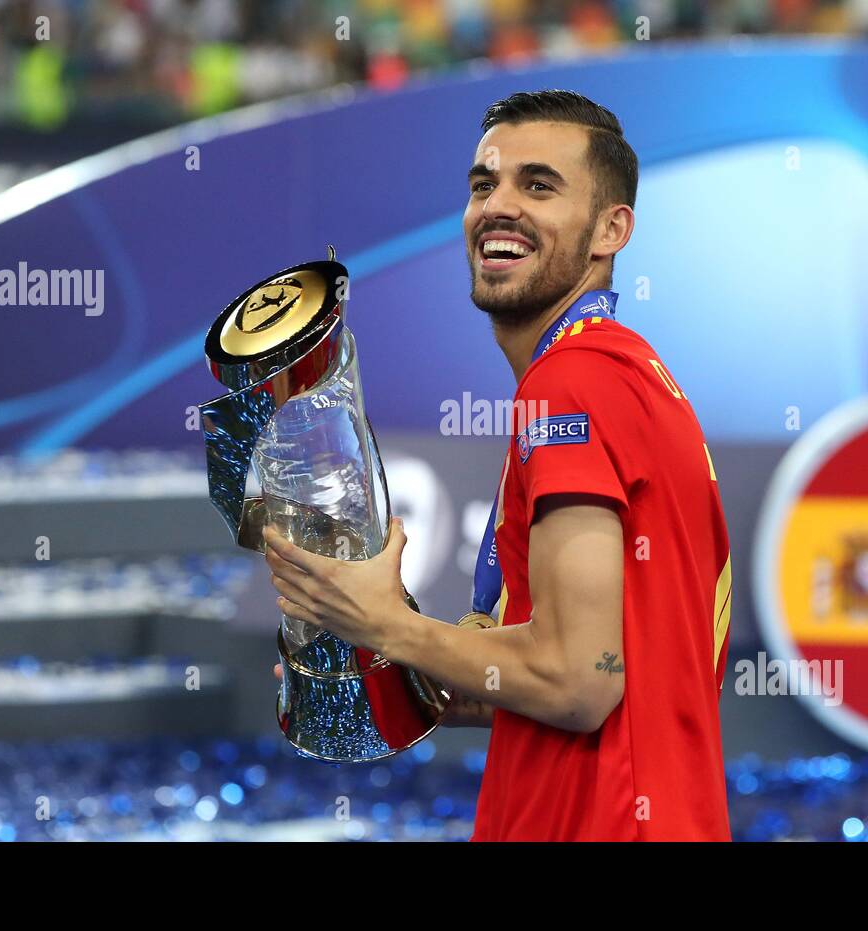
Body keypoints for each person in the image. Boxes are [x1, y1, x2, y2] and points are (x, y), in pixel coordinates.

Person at [265, 89, 733, 841]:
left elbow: (579, 679)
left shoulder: (575, 383)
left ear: (612, 230)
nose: (499, 206)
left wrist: (384, 622)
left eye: (538, 185)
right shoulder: (628, 375)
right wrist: (371, 648)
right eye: (485, 184)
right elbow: (559, 675)